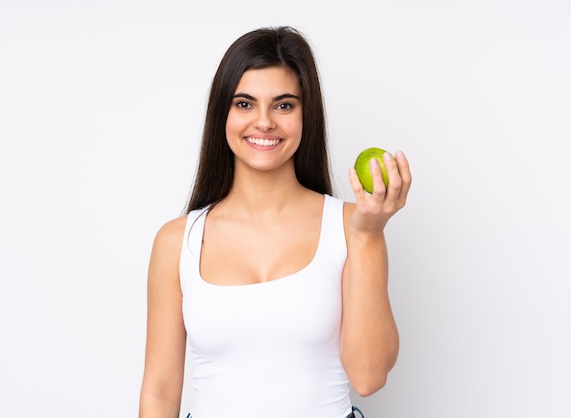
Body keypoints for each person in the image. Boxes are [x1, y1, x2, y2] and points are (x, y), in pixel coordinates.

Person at [138, 26, 412, 418]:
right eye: (244, 104)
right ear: (222, 114)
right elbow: (159, 395)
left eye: (284, 105)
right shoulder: (177, 241)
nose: (264, 122)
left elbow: (368, 378)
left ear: (306, 114)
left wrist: (368, 236)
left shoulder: (353, 226)